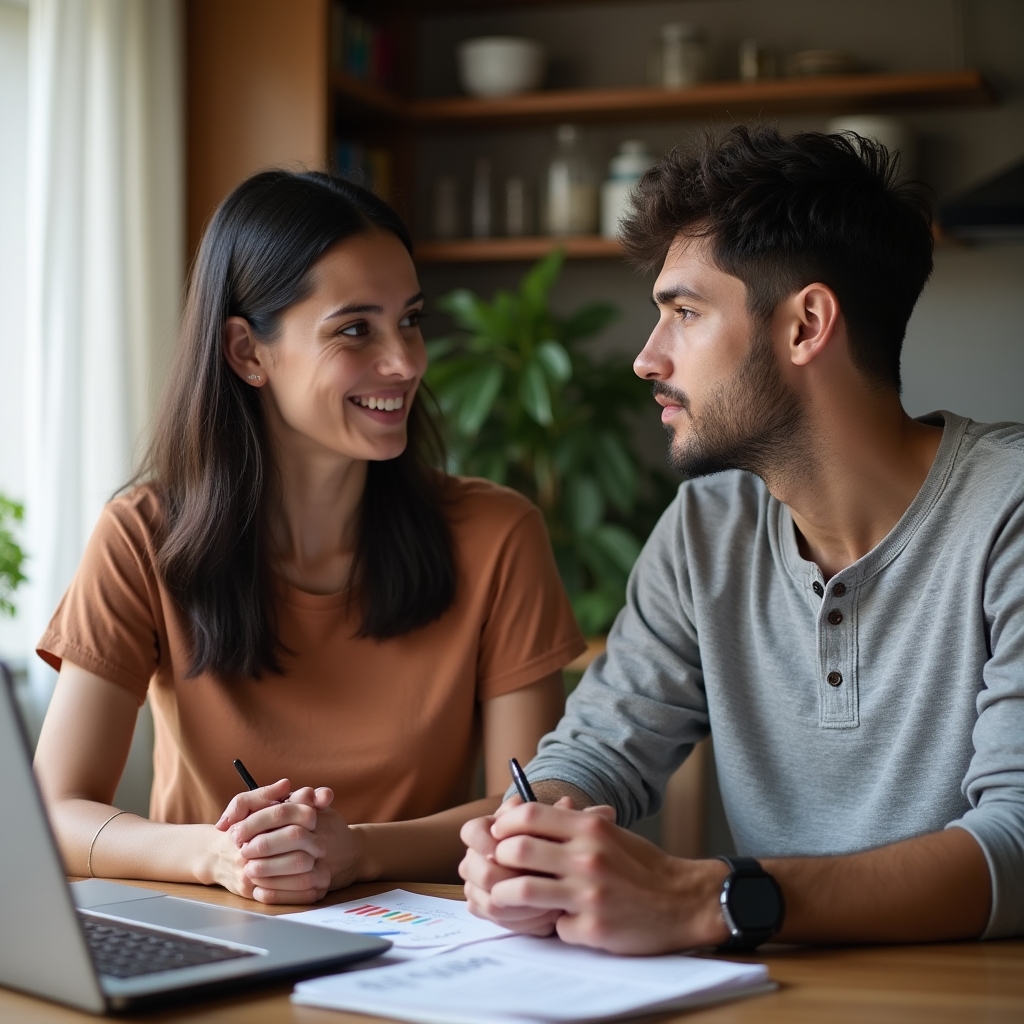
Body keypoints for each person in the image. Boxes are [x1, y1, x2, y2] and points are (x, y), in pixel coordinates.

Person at [459, 126, 1024, 952]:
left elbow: (1018, 844)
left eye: (684, 313)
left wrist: (712, 898)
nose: (647, 359)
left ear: (805, 326)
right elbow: (594, 755)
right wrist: (532, 833)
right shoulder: (703, 533)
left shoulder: (1007, 509)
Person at [33, 171, 584, 904]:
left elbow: (528, 810)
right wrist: (218, 855)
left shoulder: (498, 536)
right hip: (214, 943)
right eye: (356, 329)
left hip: (425, 953)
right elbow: (54, 811)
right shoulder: (142, 537)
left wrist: (354, 853)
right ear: (246, 353)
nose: (407, 361)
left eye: (410, 319)